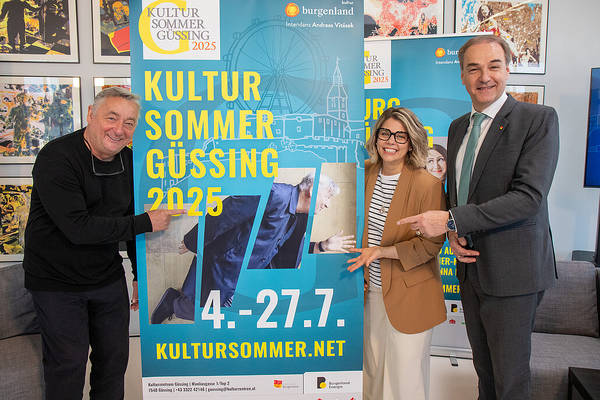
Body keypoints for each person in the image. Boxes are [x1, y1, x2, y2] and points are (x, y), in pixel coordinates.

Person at [397, 36, 559, 400]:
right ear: (462, 76)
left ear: (508, 69)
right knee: (484, 372)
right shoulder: (458, 127)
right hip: (470, 270)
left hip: (513, 274)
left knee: (510, 379)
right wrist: (453, 233)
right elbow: (461, 193)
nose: (484, 76)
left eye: (493, 66)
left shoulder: (537, 120)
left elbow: (528, 198)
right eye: (473, 69)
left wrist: (451, 220)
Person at [23, 87, 183, 400]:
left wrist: (138, 275)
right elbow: (78, 228)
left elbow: (131, 219)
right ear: (91, 115)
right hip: (55, 282)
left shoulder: (131, 162)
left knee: (113, 364)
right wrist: (146, 222)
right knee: (68, 366)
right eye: (112, 118)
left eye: (129, 123)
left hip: (106, 278)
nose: (119, 129)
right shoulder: (57, 158)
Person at [150, 173, 355, 323]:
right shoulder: (275, 194)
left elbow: (288, 251)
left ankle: (175, 302)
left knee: (223, 317)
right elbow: (227, 211)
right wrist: (193, 240)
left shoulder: (298, 219)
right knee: (211, 314)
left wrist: (321, 246)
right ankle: (173, 303)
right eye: (327, 197)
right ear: (312, 190)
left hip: (248, 278)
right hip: (225, 266)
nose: (327, 204)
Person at [347, 107, 446, 400]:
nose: (391, 141)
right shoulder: (363, 174)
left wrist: (382, 252)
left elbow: (432, 245)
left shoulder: (428, 184)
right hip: (368, 294)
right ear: (376, 137)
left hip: (410, 295)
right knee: (371, 376)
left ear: (412, 142)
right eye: (385, 133)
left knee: (404, 383)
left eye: (400, 136)